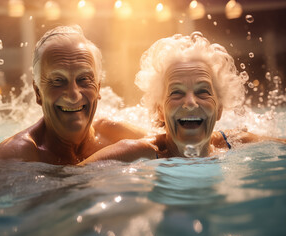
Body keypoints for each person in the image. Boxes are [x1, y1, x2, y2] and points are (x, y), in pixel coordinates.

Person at [80, 32, 286, 164]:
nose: (190, 102)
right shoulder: (133, 152)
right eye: (176, 92)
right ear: (159, 108)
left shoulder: (234, 142)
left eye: (202, 92)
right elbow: (68, 180)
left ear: (220, 108)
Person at [0, 25, 145, 165]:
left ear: (98, 89)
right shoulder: (13, 157)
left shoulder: (118, 135)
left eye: (83, 79)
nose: (73, 95)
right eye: (58, 81)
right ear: (38, 92)